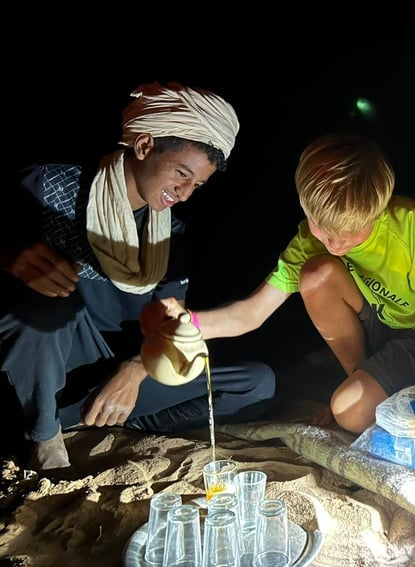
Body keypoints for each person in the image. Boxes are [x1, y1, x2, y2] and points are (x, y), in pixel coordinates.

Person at [0, 82, 276, 470]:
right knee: (49, 311)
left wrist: (136, 369)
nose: (184, 194)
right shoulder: (48, 189)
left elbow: (169, 325)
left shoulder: (169, 237)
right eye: (181, 173)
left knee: (255, 383)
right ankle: (44, 436)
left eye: (197, 185)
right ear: (145, 145)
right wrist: (8, 255)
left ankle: (99, 418)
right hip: (39, 369)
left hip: (105, 378)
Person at [141, 132, 415, 434]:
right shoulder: (308, 241)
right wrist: (188, 322)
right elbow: (252, 312)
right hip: (377, 326)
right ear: (305, 207)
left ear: (376, 212)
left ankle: (372, 392)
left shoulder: (407, 222)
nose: (334, 244)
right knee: (316, 274)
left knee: (349, 413)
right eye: (323, 229)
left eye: (350, 234)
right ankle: (360, 379)